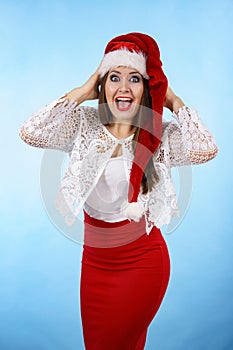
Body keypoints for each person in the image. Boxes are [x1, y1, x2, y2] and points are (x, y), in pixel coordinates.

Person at [20, 32, 218, 349]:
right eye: (114, 77)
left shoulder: (161, 137)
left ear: (147, 87)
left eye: (135, 79)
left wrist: (174, 102)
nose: (123, 88)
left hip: (143, 263)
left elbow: (205, 149)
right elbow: (31, 133)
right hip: (95, 264)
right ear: (103, 84)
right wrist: (83, 91)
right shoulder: (83, 125)